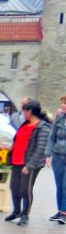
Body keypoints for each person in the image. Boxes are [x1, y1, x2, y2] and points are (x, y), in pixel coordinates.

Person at [5, 100, 52, 225]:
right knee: (14, 186)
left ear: (30, 111)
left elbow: (41, 148)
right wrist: (12, 147)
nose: (23, 113)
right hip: (17, 160)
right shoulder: (25, 124)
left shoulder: (42, 127)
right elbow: (18, 139)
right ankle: (16, 211)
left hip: (30, 163)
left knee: (25, 189)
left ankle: (25, 214)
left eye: (24, 110)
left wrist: (30, 165)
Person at [45, 94, 66, 224]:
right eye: (62, 103)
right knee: (59, 185)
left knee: (65, 185)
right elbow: (52, 137)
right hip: (58, 156)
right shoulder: (59, 118)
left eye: (65, 103)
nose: (63, 105)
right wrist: (48, 154)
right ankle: (60, 210)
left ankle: (64, 212)